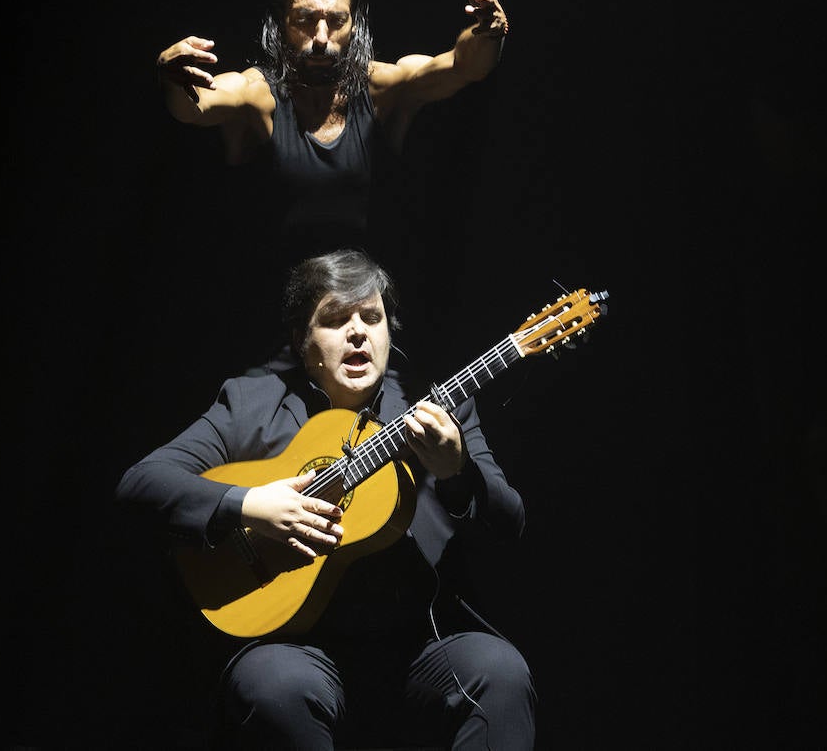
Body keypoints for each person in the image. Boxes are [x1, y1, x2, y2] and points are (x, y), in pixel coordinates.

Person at [114, 248, 536, 749]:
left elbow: (511, 522)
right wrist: (251, 505)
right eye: (335, 319)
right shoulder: (253, 404)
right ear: (301, 341)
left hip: (420, 641)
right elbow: (142, 482)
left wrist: (457, 473)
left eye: (372, 318)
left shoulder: (440, 406)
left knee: (501, 672)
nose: (358, 332)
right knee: (274, 686)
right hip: (298, 645)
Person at [154, 0, 510, 274]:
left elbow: (462, 66)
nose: (321, 37)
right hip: (268, 307)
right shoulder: (257, 96)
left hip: (364, 300)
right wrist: (173, 78)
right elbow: (194, 106)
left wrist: (489, 33)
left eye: (336, 21)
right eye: (306, 20)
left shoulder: (384, 88)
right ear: (283, 22)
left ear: (354, 23)